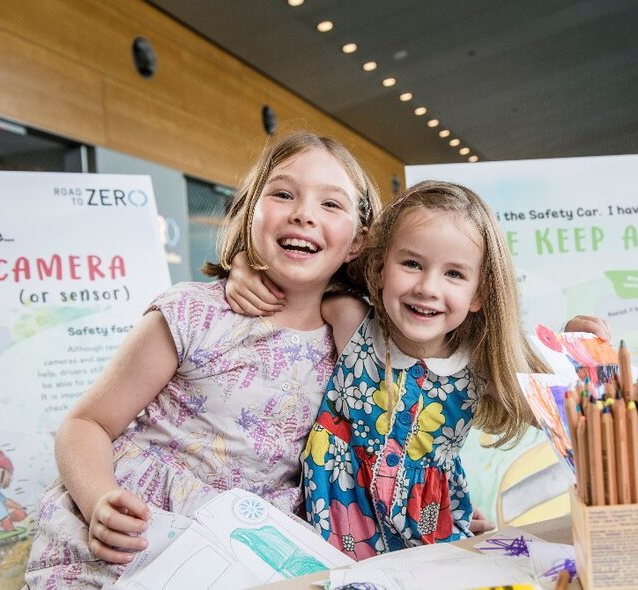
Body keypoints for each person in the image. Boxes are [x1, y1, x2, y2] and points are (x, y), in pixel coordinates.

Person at [24, 130, 382, 588]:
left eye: (331, 204)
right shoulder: (191, 313)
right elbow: (86, 423)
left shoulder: (351, 338)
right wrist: (98, 500)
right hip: (140, 534)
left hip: (249, 549)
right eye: (283, 194)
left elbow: (393, 435)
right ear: (250, 211)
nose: (303, 214)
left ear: (358, 240)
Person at [226, 180, 610, 559]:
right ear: (378, 268)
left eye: (454, 274)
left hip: (432, 549)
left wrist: (571, 353)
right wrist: (241, 266)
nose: (428, 287)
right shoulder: (349, 319)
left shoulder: (483, 366)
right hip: (329, 539)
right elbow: (297, 273)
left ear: (480, 293)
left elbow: (571, 420)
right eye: (411, 263)